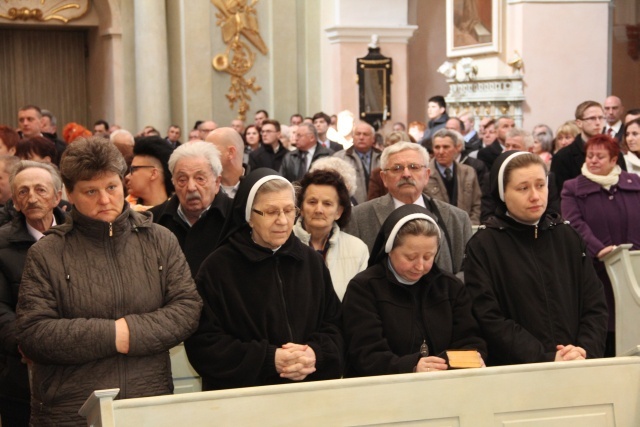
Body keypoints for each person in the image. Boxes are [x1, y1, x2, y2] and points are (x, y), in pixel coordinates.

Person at [15, 137, 202, 425]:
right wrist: (113, 335)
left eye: (111, 187)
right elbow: (34, 333)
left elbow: (187, 309)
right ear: (70, 194)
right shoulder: (47, 253)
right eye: (91, 191)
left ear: (123, 183)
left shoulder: (159, 240)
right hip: (71, 410)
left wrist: (132, 331)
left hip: (147, 403)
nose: (104, 200)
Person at [185, 169, 344, 390]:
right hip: (245, 400)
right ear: (249, 216)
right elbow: (204, 344)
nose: (282, 220)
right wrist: (269, 359)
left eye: (289, 210)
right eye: (270, 212)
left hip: (307, 392)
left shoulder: (310, 262)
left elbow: (335, 325)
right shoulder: (218, 268)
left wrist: (315, 353)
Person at [464, 151, 608, 366]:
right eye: (523, 188)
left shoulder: (567, 236)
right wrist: (545, 357)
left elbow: (594, 303)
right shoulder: (484, 245)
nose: (535, 196)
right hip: (519, 371)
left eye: (541, 185)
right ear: (503, 193)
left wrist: (584, 350)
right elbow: (488, 317)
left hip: (577, 364)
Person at [342, 204, 486, 377]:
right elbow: (365, 353)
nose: (419, 266)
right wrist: (410, 366)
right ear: (389, 249)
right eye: (410, 257)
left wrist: (467, 361)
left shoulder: (451, 287)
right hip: (384, 391)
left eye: (428, 257)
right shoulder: (364, 289)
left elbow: (470, 340)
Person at [0, 161, 67, 427]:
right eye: (23, 192)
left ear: (57, 196)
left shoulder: (80, 237)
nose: (32, 197)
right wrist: (25, 341)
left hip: (76, 363)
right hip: (19, 368)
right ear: (15, 202)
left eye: (40, 189)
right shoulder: (2, 244)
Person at [561, 134, 640, 356]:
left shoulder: (634, 184)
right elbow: (574, 223)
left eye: (600, 157)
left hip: (633, 271)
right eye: (590, 156)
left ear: (614, 160)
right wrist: (599, 249)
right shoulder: (573, 188)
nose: (593, 161)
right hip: (595, 270)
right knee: (602, 329)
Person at [344, 141, 472, 274]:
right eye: (397, 168)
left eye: (414, 167)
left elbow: (467, 272)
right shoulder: (357, 218)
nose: (406, 174)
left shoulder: (457, 218)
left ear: (427, 175)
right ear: (384, 178)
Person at [151, 141, 232, 277]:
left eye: (200, 178)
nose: (191, 187)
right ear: (173, 183)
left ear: (217, 182)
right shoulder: (154, 220)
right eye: (182, 180)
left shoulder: (236, 217)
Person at [293, 169, 368, 300]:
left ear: (339, 211)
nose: (319, 210)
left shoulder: (358, 249)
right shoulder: (284, 241)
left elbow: (360, 301)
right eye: (312, 202)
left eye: (327, 204)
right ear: (301, 208)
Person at [426, 129, 481, 224]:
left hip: (466, 227)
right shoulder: (425, 174)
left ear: (456, 148)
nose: (441, 151)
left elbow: (476, 204)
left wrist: (471, 226)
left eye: (446, 147)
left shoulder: (468, 172)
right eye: (437, 147)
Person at [333, 121, 382, 204]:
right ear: (353, 137)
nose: (361, 137)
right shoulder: (339, 158)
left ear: (373, 138)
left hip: (379, 206)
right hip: (351, 207)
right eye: (358, 134)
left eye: (365, 134)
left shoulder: (382, 157)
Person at [124, 136, 174, 209]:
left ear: (153, 173)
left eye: (133, 170)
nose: (127, 177)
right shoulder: (122, 212)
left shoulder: (178, 212)